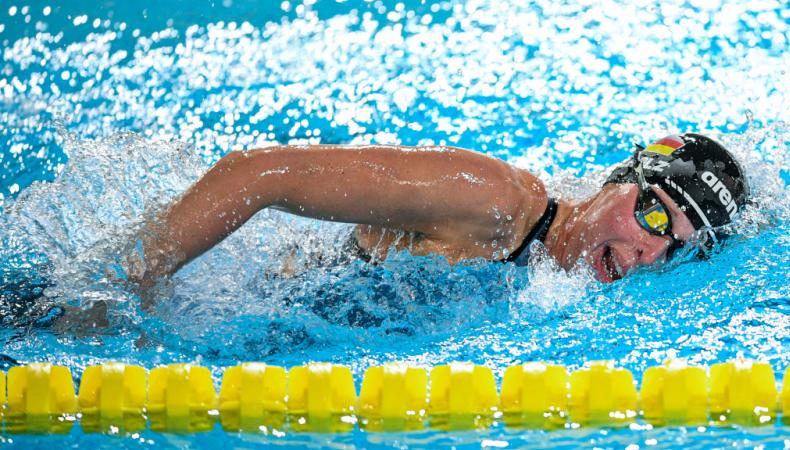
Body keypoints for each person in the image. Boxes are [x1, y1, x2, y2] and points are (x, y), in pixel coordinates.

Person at [127, 133, 749, 293]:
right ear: (619, 182)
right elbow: (253, 174)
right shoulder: (492, 202)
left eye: (680, 247)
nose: (652, 253)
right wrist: (124, 290)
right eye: (657, 218)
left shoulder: (557, 284)